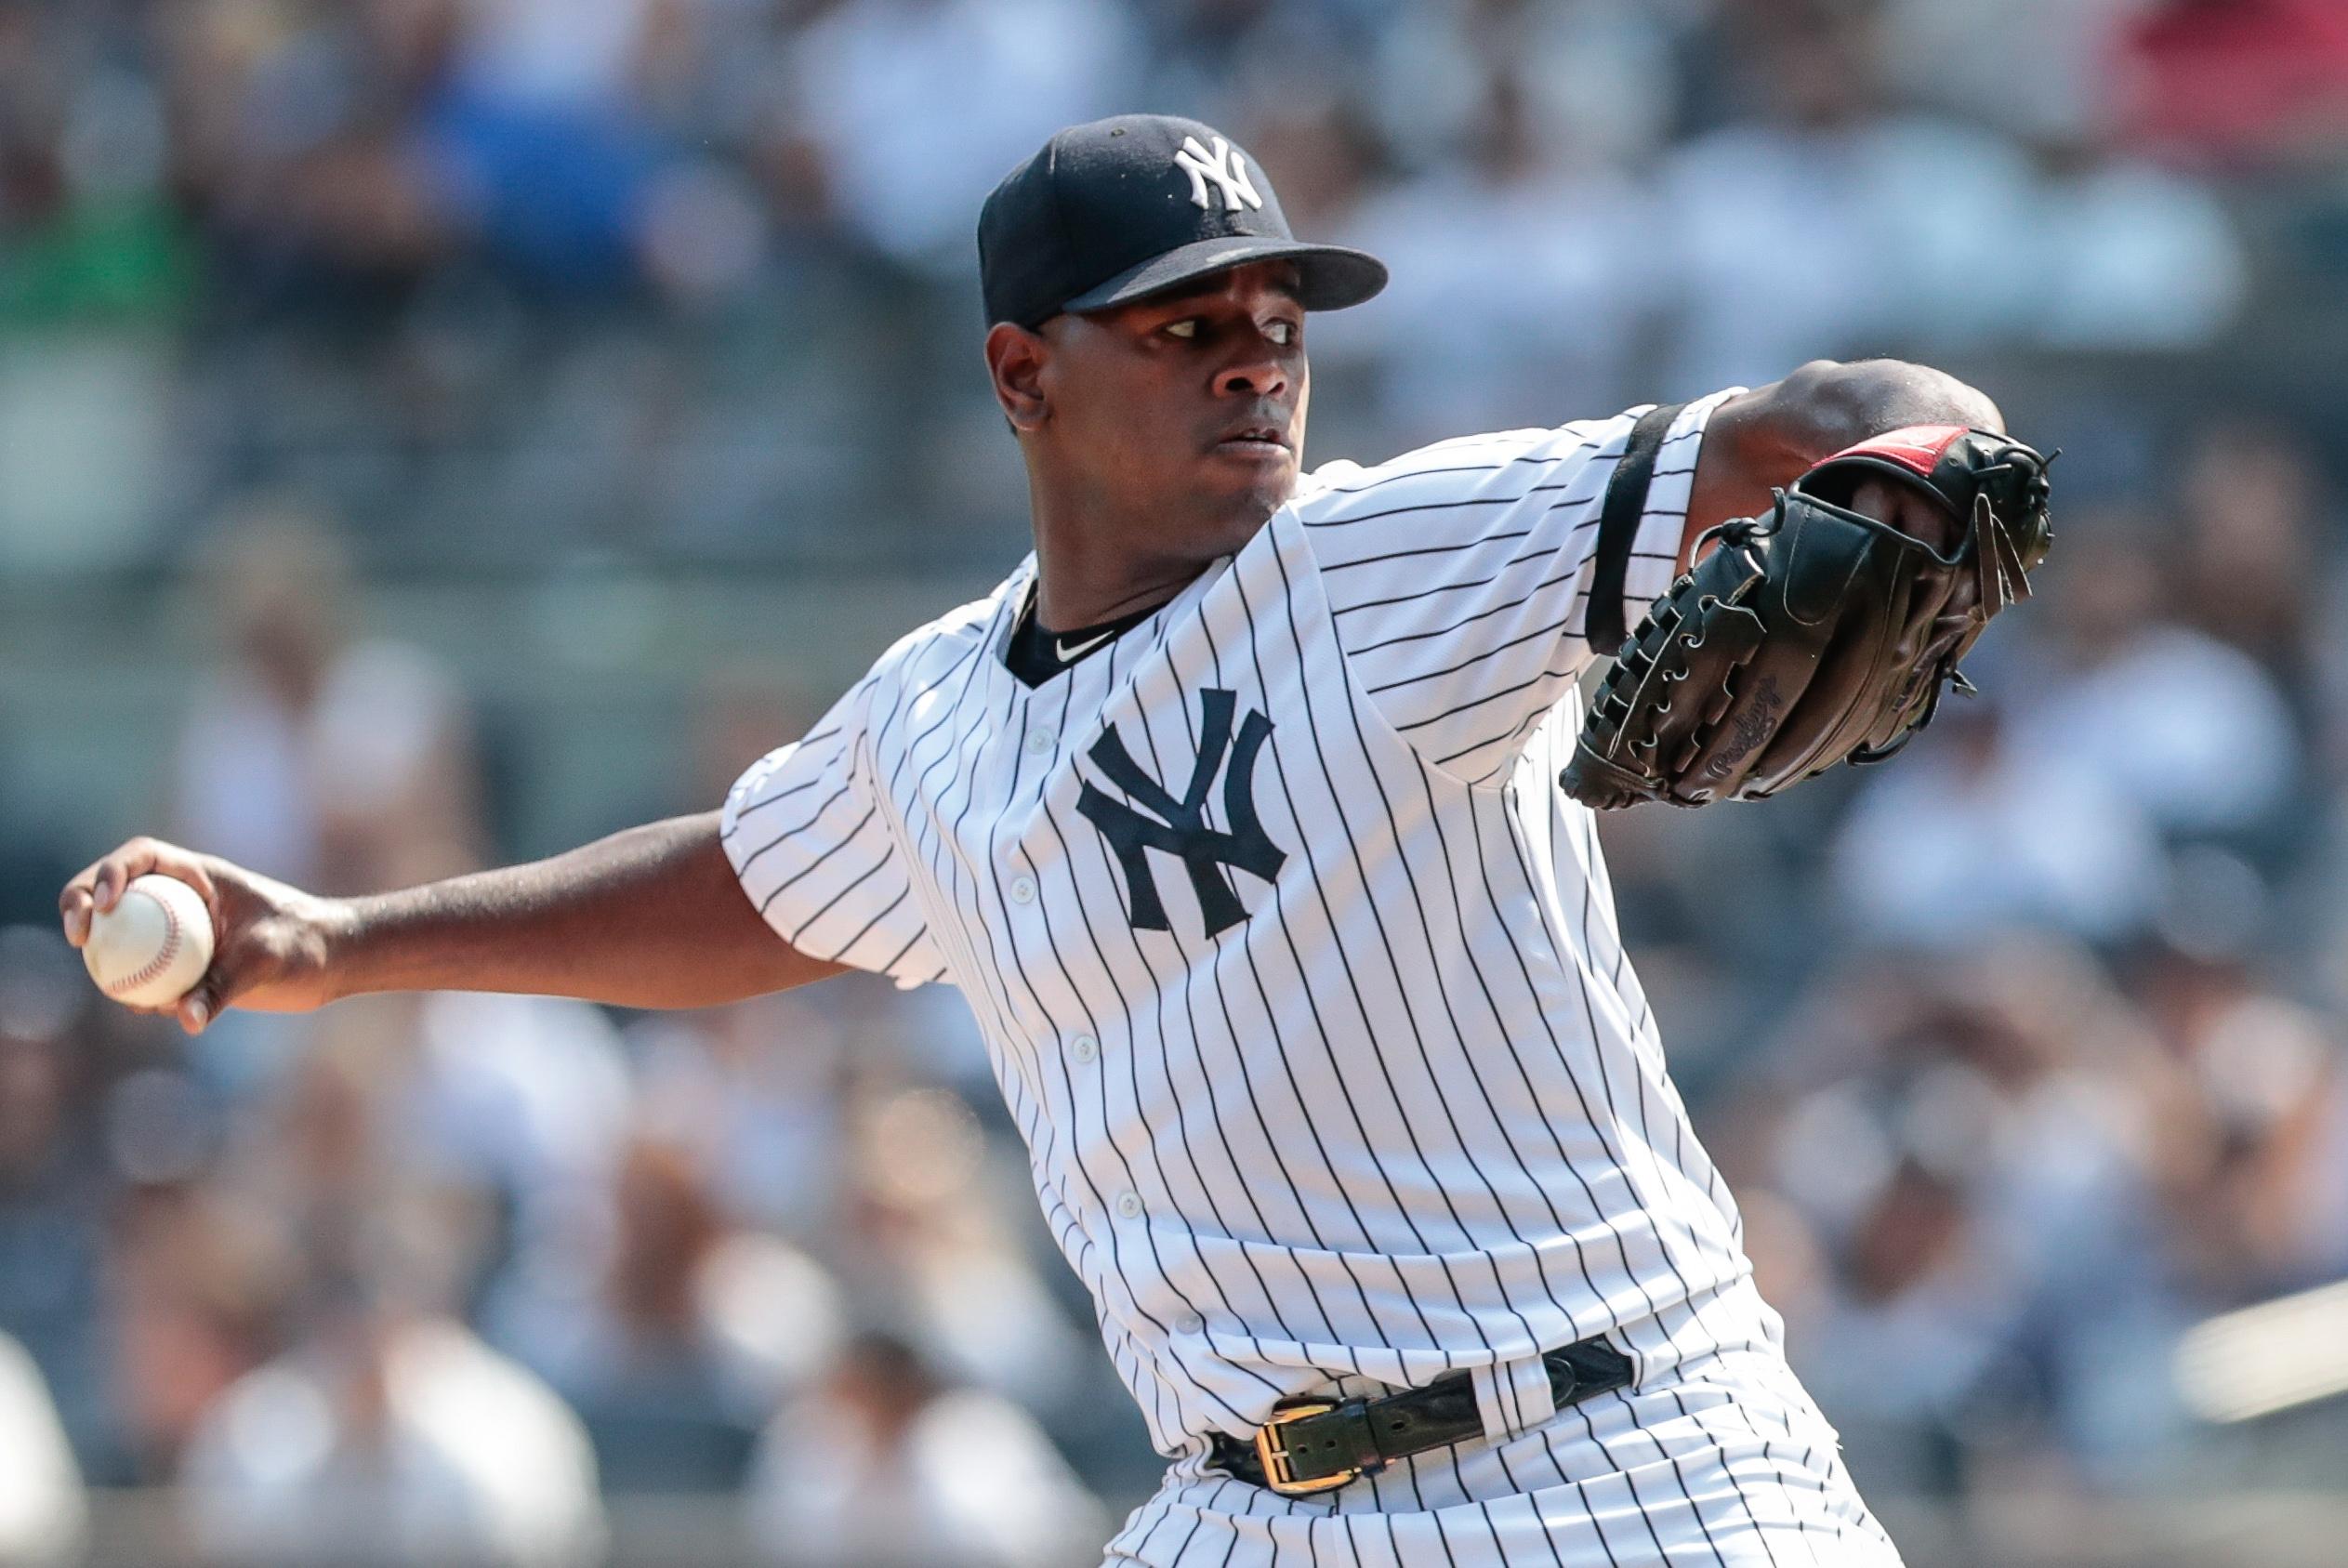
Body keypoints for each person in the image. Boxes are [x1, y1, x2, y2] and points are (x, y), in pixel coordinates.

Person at [64, 114, 2009, 1564]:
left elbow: (1823, 419)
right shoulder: (932, 717)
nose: (1256, 357)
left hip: (1621, 1456)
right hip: (1244, 1504)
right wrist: (334, 941)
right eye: (1183, 328)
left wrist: (1925, 456)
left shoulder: (1381, 557)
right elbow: (747, 888)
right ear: (1022, 373)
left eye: (1276, 320)